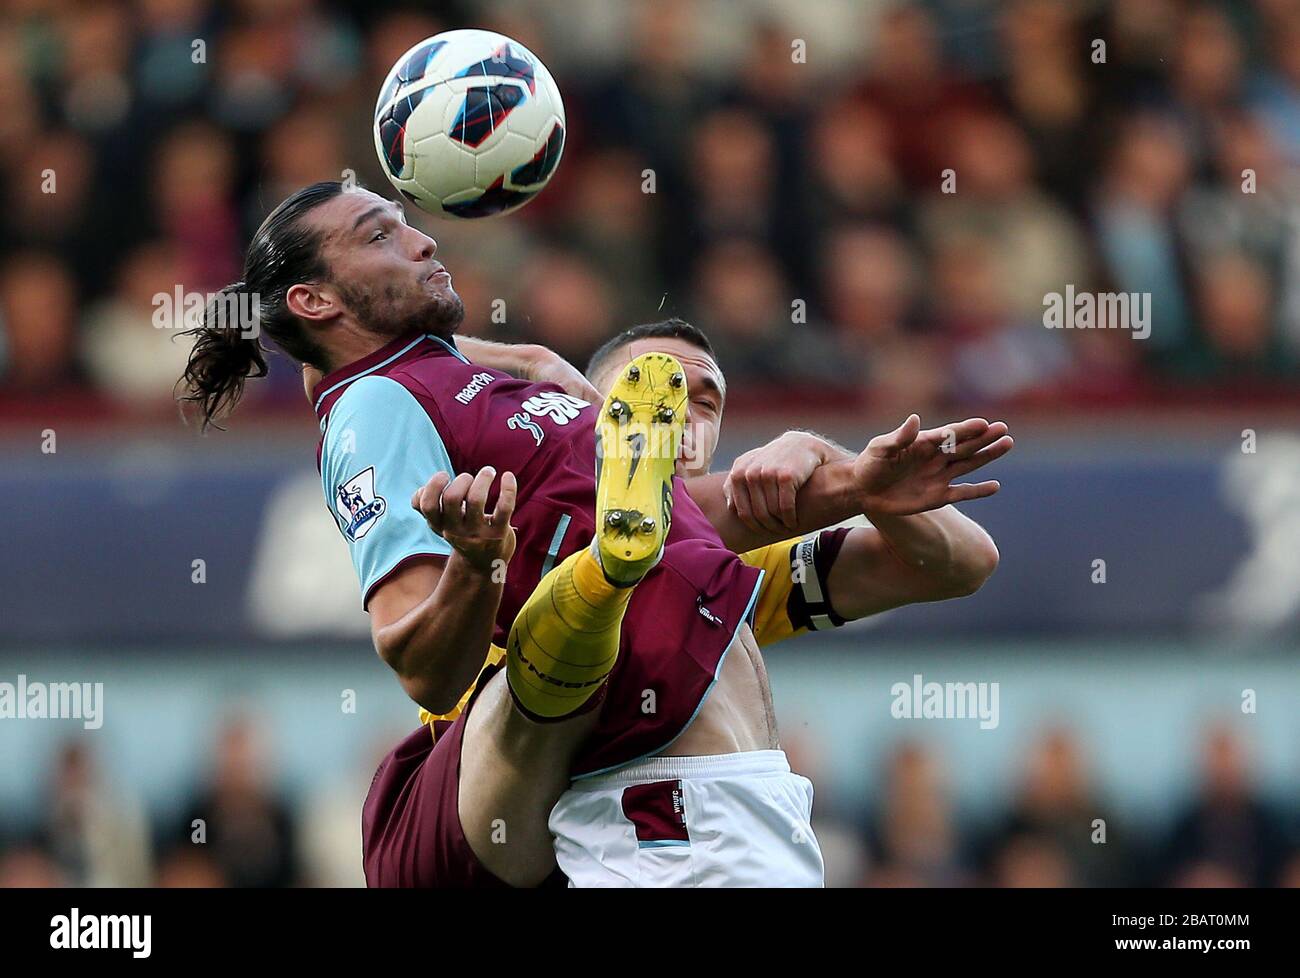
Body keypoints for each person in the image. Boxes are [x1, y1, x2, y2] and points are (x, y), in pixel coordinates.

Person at [179, 182, 1011, 887]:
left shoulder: (473, 390)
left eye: (702, 399)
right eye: (382, 235)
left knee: (659, 559)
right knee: (586, 616)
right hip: (644, 801)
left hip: (737, 800)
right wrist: (475, 564)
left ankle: (598, 584)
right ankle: (591, 589)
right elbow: (421, 665)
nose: (424, 239)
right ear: (315, 299)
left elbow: (952, 559)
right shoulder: (375, 406)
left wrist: (851, 479)